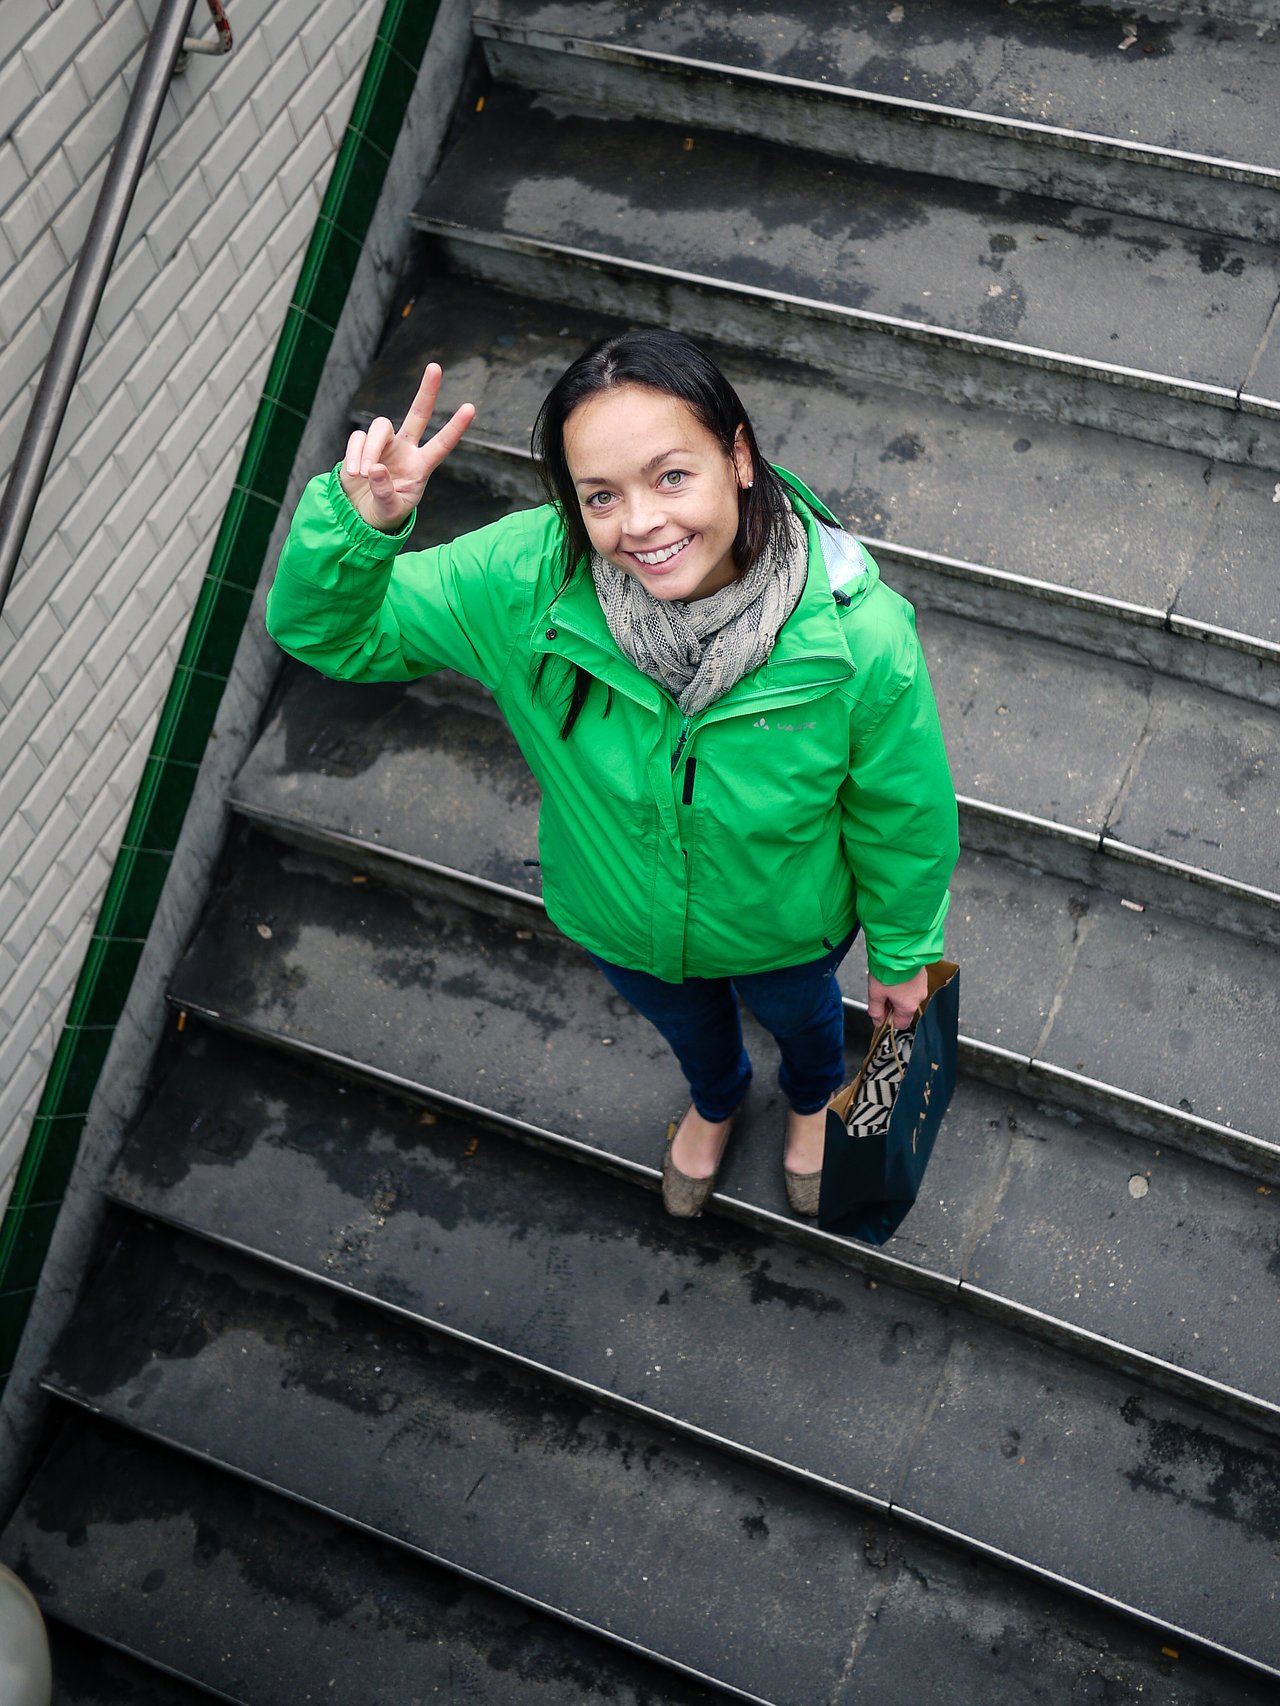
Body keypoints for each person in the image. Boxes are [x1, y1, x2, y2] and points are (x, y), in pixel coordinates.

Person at [266, 331, 958, 1219]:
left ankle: (811, 1101)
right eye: (601, 495)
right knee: (692, 1036)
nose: (640, 524)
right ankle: (716, 1102)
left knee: (807, 1022)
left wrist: (904, 952)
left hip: (787, 925)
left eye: (672, 476)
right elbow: (332, 634)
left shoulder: (855, 636)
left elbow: (901, 813)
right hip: (621, 917)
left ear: (738, 458)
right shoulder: (525, 580)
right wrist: (359, 528)